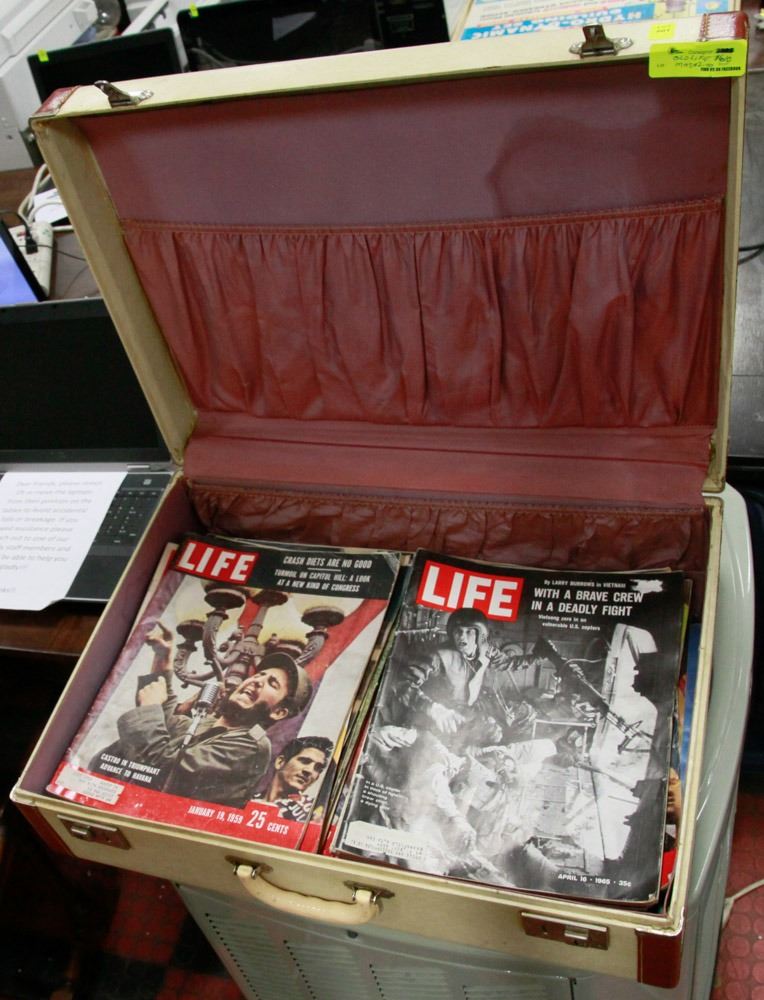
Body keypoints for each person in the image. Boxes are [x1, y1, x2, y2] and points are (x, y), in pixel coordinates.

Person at [88, 649, 312, 809]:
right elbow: (166, 720)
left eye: (272, 683)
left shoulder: (252, 747)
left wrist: (149, 708)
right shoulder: (206, 722)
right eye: (259, 674)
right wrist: (162, 663)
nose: (257, 680)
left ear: (278, 712)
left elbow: (161, 771)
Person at [261, 735, 333, 821]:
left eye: (317, 768)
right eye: (304, 761)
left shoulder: (313, 812)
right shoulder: (249, 798)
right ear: (280, 762)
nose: (309, 770)